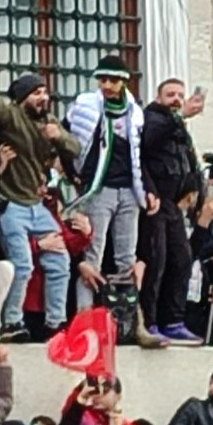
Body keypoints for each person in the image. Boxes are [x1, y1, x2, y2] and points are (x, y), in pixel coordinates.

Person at [0, 46, 79, 340]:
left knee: (60, 260)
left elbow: (75, 149)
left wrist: (59, 137)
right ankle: (12, 321)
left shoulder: (50, 122)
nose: (43, 98)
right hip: (13, 206)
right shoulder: (12, 117)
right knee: (22, 264)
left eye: (44, 92)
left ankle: (55, 322)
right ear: (23, 99)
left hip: (37, 205)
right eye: (36, 93)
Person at [63, 56, 159, 315]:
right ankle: (84, 315)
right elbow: (66, 142)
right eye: (102, 79)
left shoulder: (135, 112)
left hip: (129, 190)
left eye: (113, 80)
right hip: (99, 188)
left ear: (123, 82)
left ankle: (127, 319)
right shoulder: (86, 106)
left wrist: (149, 189)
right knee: (92, 254)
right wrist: (74, 175)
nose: (106, 85)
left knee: (126, 258)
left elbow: (139, 156)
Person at [139, 78, 205, 344]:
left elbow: (187, 160)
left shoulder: (177, 126)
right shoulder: (151, 118)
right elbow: (150, 143)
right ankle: (150, 321)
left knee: (181, 259)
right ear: (158, 96)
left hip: (174, 205)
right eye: (171, 95)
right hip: (154, 204)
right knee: (156, 261)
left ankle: (174, 321)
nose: (176, 99)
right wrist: (180, 116)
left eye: (180, 95)